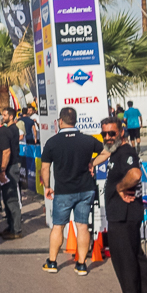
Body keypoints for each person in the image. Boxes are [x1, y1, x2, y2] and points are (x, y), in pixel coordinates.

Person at [100, 118, 147, 293]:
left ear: (122, 132)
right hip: (123, 215)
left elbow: (136, 174)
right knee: (136, 257)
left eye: (112, 133)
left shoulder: (125, 152)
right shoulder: (115, 152)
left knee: (124, 260)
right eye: (105, 134)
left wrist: (120, 187)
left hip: (124, 216)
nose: (108, 138)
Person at [40, 107, 107, 275]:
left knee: (58, 227)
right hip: (85, 189)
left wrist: (47, 186)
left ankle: (52, 262)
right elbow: (107, 151)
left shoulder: (52, 142)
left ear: (60, 121)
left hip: (63, 191)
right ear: (75, 121)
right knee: (82, 226)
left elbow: (45, 168)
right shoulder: (87, 140)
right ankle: (82, 264)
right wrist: (93, 162)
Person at [0, 110, 23, 240]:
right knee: (7, 198)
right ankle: (11, 226)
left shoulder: (10, 130)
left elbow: (7, 151)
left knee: (11, 199)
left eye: (4, 115)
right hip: (9, 167)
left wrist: (3, 169)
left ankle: (16, 229)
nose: (3, 117)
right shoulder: (7, 130)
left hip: (10, 167)